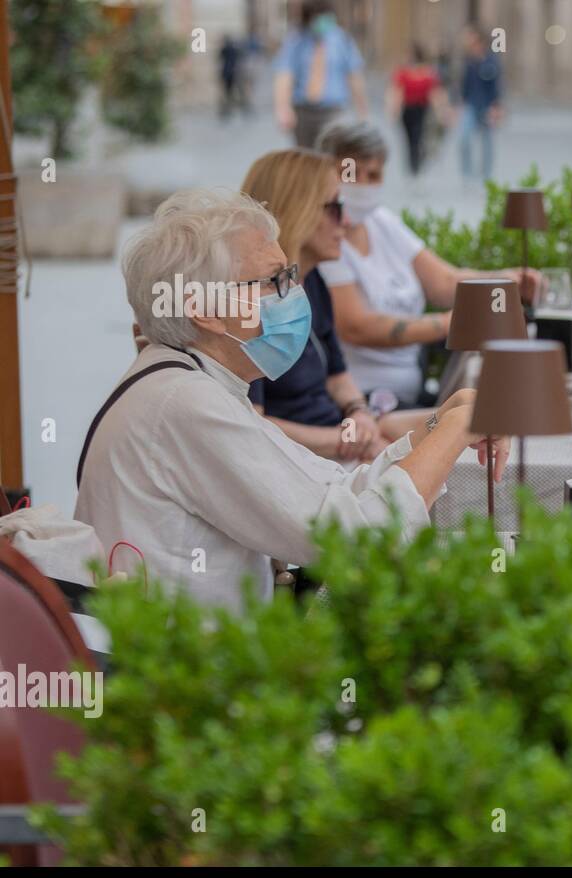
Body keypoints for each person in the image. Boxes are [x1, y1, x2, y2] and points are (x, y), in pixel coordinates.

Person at [75, 188, 505, 610]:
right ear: (203, 310)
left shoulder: (195, 383)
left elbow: (332, 493)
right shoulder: (184, 403)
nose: (292, 295)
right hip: (197, 672)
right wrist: (456, 429)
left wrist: (436, 426)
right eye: (273, 281)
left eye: (290, 276)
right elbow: (356, 539)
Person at [315, 119, 540, 406]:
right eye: (350, 173)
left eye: (373, 175)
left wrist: (508, 282)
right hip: (365, 399)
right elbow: (356, 326)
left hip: (415, 389)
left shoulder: (382, 221)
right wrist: (453, 323)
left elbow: (443, 283)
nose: (361, 184)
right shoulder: (327, 239)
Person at [240, 148, 440, 461]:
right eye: (335, 207)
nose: (346, 222)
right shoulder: (252, 302)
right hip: (312, 461)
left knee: (459, 417)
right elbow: (250, 423)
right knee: (448, 440)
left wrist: (357, 412)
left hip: (346, 433)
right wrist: (342, 440)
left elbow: (337, 375)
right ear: (298, 209)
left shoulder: (313, 279)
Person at [272, 0, 368, 148]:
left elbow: (354, 77)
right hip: (303, 111)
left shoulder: (342, 40)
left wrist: (362, 112)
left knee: (331, 158)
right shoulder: (296, 40)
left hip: (333, 110)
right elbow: (285, 76)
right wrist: (283, 108)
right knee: (306, 161)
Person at [388, 44, 448, 176]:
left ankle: (417, 167)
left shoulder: (428, 72)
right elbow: (397, 92)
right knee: (409, 141)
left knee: (419, 139)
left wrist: (441, 113)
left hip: (422, 111)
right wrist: (393, 109)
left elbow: (435, 93)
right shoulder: (402, 72)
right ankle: (412, 168)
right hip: (407, 110)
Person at [456, 23, 503, 183]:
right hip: (470, 105)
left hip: (487, 106)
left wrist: (496, 107)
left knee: (487, 142)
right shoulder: (469, 61)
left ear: (480, 43)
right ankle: (467, 174)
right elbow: (464, 84)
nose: (470, 44)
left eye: (473, 41)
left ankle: (486, 175)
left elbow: (496, 86)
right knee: (464, 139)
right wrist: (459, 104)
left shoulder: (491, 61)